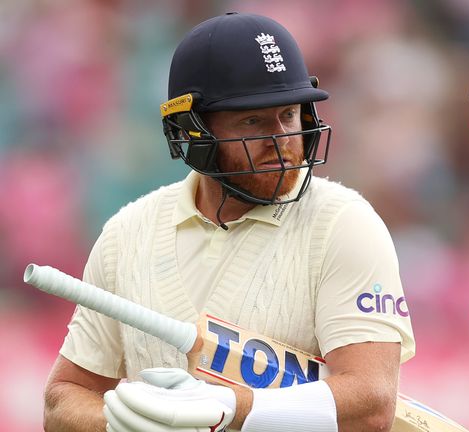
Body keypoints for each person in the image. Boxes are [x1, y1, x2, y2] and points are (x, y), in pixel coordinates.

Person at [43, 12, 414, 432]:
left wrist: (225, 406)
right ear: (192, 129)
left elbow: (372, 403)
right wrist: (122, 423)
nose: (283, 140)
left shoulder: (343, 223)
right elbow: (62, 400)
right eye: (252, 121)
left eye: (289, 115)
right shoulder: (127, 234)